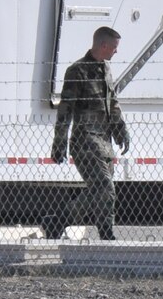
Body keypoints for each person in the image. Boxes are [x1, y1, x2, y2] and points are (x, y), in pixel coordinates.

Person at [48, 26, 129, 240]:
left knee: (100, 192)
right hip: (85, 141)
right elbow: (65, 110)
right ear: (103, 45)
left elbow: (112, 103)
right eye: (114, 47)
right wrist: (59, 144)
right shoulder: (77, 71)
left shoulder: (106, 70)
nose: (116, 52)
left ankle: (58, 221)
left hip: (104, 142)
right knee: (105, 186)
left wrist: (121, 129)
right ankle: (106, 233)